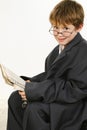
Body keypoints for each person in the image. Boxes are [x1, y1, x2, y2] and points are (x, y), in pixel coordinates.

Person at [7, 0, 87, 130]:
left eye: (66, 28)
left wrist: (34, 90)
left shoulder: (84, 51)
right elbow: (51, 77)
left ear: (79, 27)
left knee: (35, 109)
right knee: (15, 99)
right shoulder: (56, 52)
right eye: (55, 27)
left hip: (75, 105)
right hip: (60, 97)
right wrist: (29, 83)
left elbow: (73, 89)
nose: (59, 34)